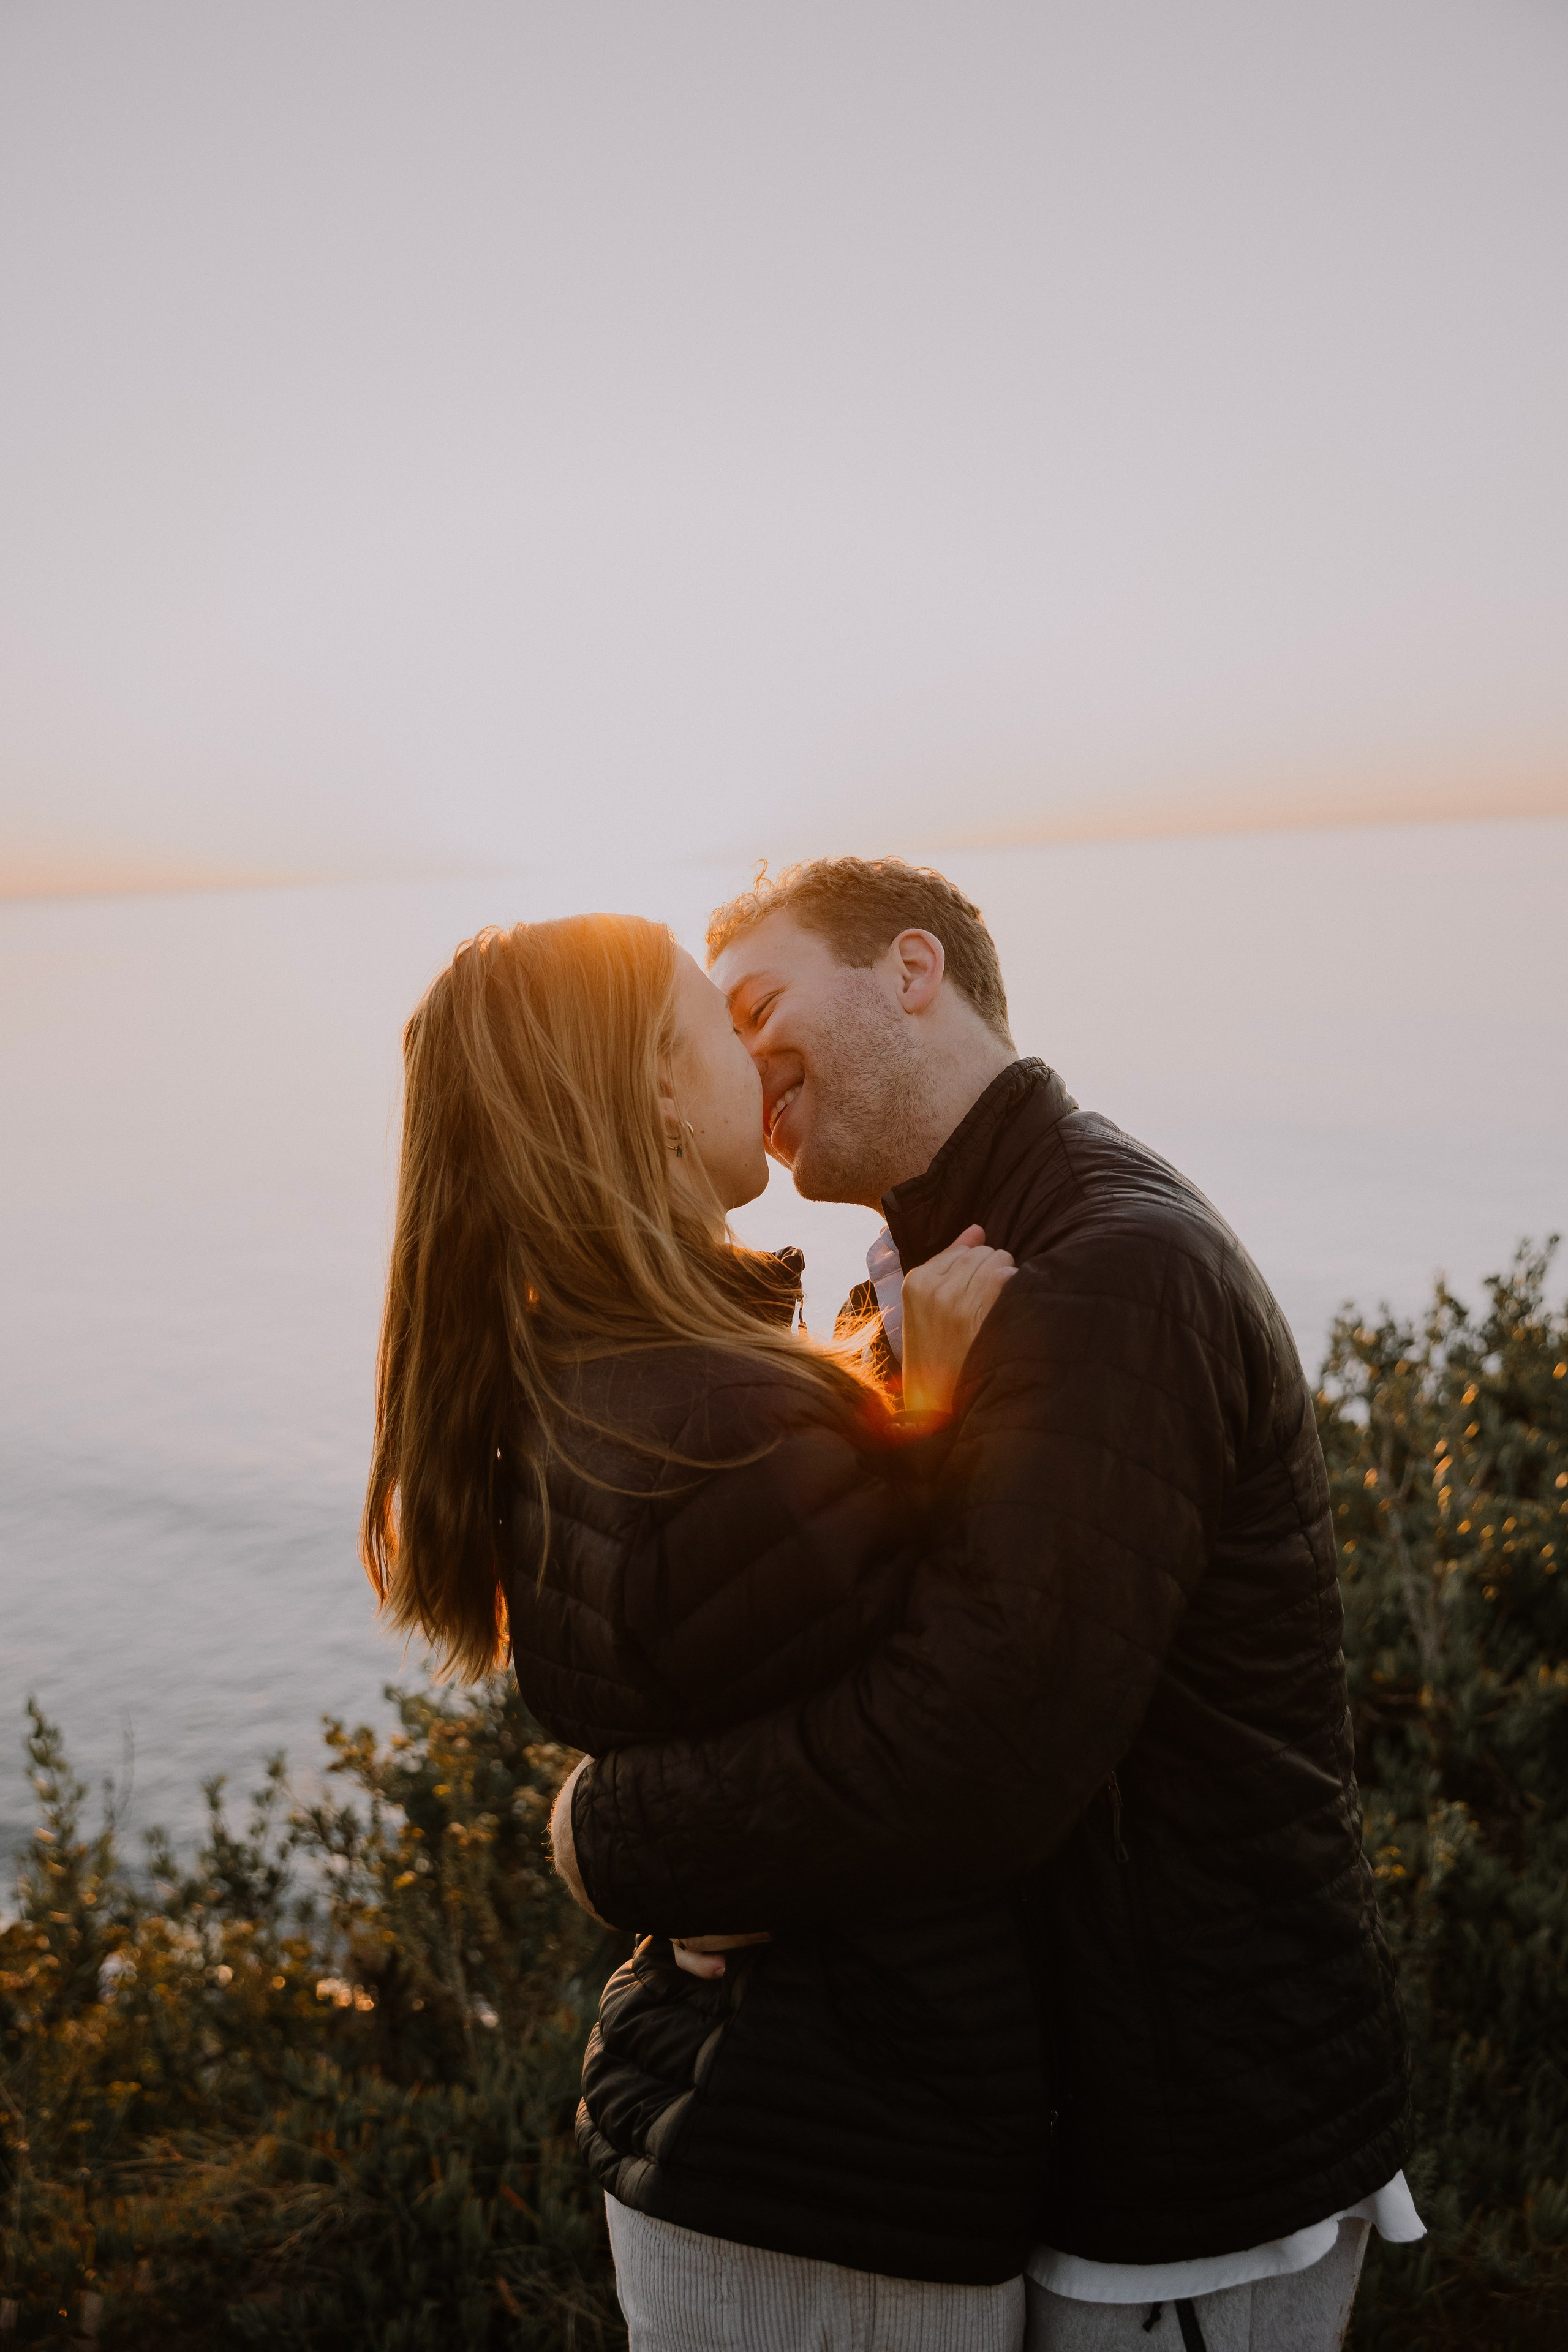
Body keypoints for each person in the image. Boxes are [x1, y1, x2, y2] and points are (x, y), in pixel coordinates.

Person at [551, 857, 1423, 2352]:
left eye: (759, 1002)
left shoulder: (1102, 1272)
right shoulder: (918, 1279)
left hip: (1189, 2161)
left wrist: (607, 1837)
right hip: (1066, 2121)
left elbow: (974, 1748)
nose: (742, 1055)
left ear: (910, 972)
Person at [362, 910, 1049, 2352]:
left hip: (746, 2137)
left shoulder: (592, 1386)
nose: (753, 1056)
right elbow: (946, 1737)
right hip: (833, 2172)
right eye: (712, 1027)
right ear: (660, 1094)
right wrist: (932, 1420)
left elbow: (769, 1717)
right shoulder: (726, 1421)